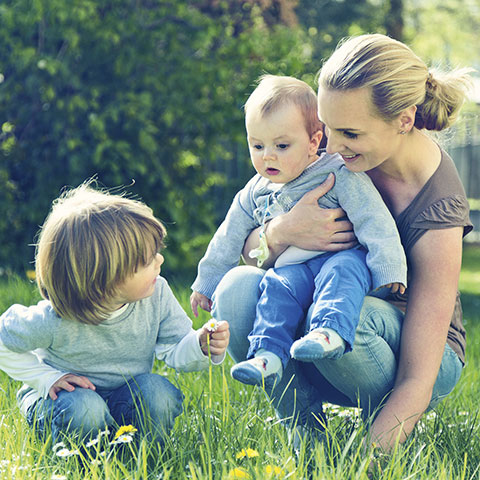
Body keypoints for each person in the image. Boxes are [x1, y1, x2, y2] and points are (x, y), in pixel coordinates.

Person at [212, 34, 473, 452]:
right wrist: (282, 232)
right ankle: (306, 433)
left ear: (404, 120)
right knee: (238, 290)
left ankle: (378, 433)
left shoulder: (436, 207)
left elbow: (417, 378)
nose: (330, 146)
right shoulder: (341, 156)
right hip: (319, 315)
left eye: (348, 132)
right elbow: (247, 245)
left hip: (411, 356)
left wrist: (362, 466)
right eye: (326, 128)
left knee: (352, 314)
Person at [191, 74, 406, 389]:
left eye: (281, 145)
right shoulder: (254, 191)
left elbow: (373, 218)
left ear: (313, 141)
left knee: (343, 270)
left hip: (340, 259)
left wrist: (389, 269)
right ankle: (267, 354)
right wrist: (206, 283)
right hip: (294, 271)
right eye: (257, 145)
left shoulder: (336, 173)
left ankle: (328, 331)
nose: (268, 156)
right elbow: (229, 235)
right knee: (276, 289)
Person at [0, 182, 229, 445]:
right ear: (105, 280)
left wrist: (200, 345)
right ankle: (83, 463)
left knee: (157, 392)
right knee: (86, 409)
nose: (160, 261)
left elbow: (174, 348)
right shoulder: (54, 319)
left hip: (121, 397)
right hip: (65, 403)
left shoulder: (157, 294)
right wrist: (46, 378)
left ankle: (144, 459)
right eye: (147, 260)